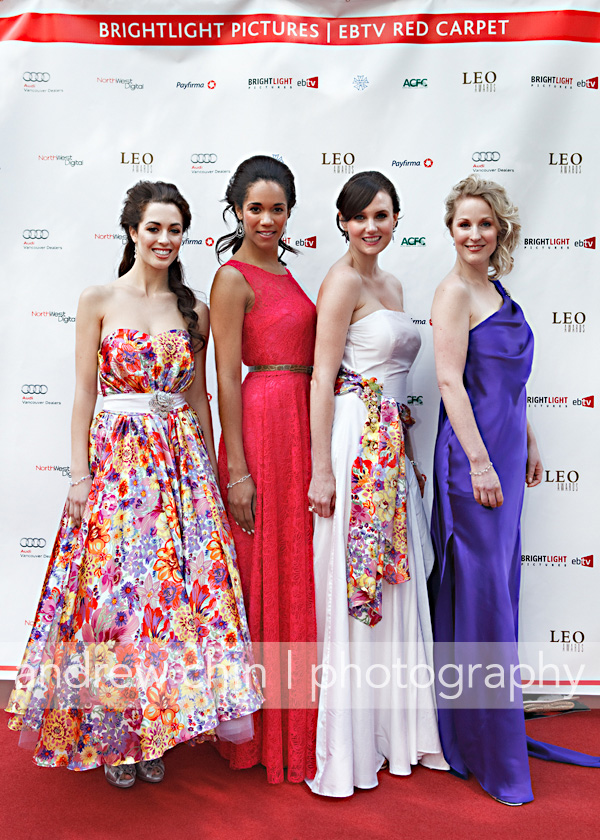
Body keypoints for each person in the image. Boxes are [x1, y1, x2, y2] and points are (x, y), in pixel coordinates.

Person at [6, 181, 262, 788]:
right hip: (119, 469)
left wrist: (213, 474)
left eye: (175, 230)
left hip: (179, 467)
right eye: (154, 228)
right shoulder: (98, 298)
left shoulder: (193, 309)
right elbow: (83, 395)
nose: (165, 240)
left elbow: (198, 397)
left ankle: (158, 730)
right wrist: (78, 475)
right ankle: (115, 735)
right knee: (115, 602)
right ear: (132, 231)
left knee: (170, 605)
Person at [428, 174, 599, 805]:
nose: (474, 234)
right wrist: (479, 463)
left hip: (502, 451)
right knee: (483, 603)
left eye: (484, 223)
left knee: (496, 593)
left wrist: (526, 438)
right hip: (473, 462)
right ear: (450, 231)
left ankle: (481, 731)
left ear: (500, 230)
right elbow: (450, 383)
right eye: (463, 224)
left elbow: (505, 385)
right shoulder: (452, 293)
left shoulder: (495, 289)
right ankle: (486, 749)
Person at [307, 171, 447, 797]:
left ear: (395, 221)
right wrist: (322, 467)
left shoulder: (391, 283)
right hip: (354, 441)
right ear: (342, 221)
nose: (370, 226)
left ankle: (396, 736)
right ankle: (351, 750)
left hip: (391, 446)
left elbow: (399, 385)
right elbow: (322, 377)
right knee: (356, 580)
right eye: (359, 216)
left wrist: (410, 454)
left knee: (395, 583)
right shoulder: (340, 281)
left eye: (381, 216)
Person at [210, 155, 318, 783]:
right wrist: (237, 471)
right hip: (262, 424)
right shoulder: (232, 278)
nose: (267, 219)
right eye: (255, 208)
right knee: (263, 567)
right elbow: (225, 376)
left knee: (296, 564)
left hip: (301, 422)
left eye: (277, 209)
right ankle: (261, 735)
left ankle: (300, 725)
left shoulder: (288, 271)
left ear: (289, 212)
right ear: (237, 211)